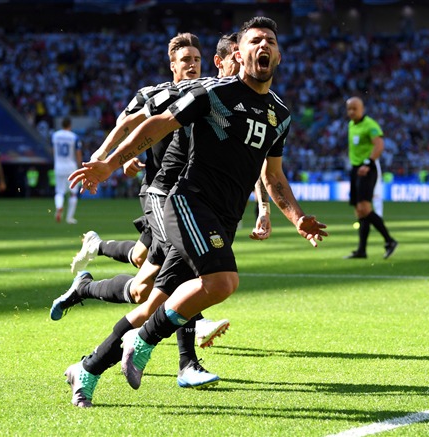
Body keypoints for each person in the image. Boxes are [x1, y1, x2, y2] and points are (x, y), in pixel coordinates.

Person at [68, 16, 327, 397]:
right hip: (189, 203)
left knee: (151, 301)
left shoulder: (279, 116)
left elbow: (273, 177)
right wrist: (109, 162)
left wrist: (298, 217)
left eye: (270, 40)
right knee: (223, 281)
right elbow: (156, 124)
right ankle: (146, 345)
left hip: (224, 218)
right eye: (254, 40)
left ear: (279, 55)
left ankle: (86, 370)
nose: (263, 46)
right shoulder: (213, 94)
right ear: (238, 54)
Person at [54, 33, 242, 407]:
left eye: (197, 58)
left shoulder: (217, 97)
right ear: (172, 64)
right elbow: (133, 123)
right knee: (185, 271)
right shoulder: (159, 94)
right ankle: (187, 360)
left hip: (195, 203)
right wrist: (106, 158)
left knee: (145, 292)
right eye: (184, 58)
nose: (191, 64)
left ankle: (88, 315)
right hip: (162, 196)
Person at [343, 97, 397, 259]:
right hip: (355, 169)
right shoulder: (351, 125)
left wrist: (368, 162)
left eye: (355, 108)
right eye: (349, 109)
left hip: (367, 169)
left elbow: (379, 145)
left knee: (365, 208)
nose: (352, 111)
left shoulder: (370, 125)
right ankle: (361, 250)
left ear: (362, 109)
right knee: (359, 211)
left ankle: (389, 240)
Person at [51, 117, 82, 224]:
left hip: (59, 166)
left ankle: (59, 207)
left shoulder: (55, 136)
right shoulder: (74, 137)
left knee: (59, 192)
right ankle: (69, 218)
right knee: (73, 194)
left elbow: (53, 150)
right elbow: (78, 153)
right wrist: (80, 167)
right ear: (70, 125)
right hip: (71, 167)